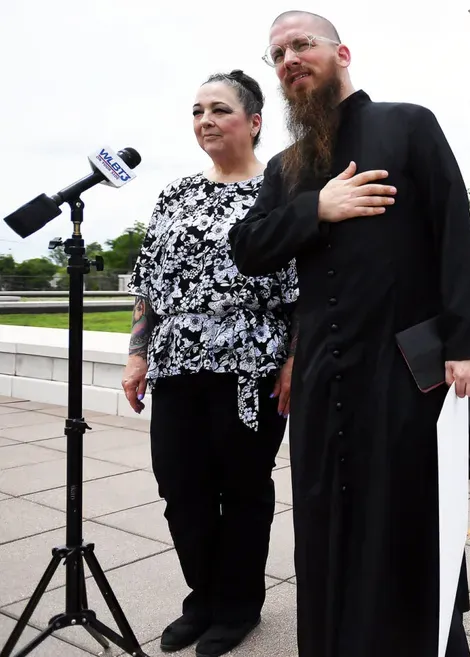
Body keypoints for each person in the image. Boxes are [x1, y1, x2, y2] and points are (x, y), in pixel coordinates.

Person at [227, 10, 470, 657]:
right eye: (277, 54)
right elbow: (246, 247)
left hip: (402, 368)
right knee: (327, 517)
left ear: (341, 53)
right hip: (323, 376)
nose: (289, 59)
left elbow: (454, 233)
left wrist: (468, 343)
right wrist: (316, 208)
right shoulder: (288, 167)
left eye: (301, 45)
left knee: (408, 516)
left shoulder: (408, 125)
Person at [121, 69, 298, 657]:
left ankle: (238, 605)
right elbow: (149, 282)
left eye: (219, 110)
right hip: (175, 365)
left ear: (254, 122)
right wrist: (137, 354)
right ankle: (203, 596)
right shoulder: (176, 194)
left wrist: (293, 361)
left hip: (251, 367)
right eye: (197, 111)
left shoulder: (280, 193)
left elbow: (303, 289)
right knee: (180, 487)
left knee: (243, 488)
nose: (205, 121)